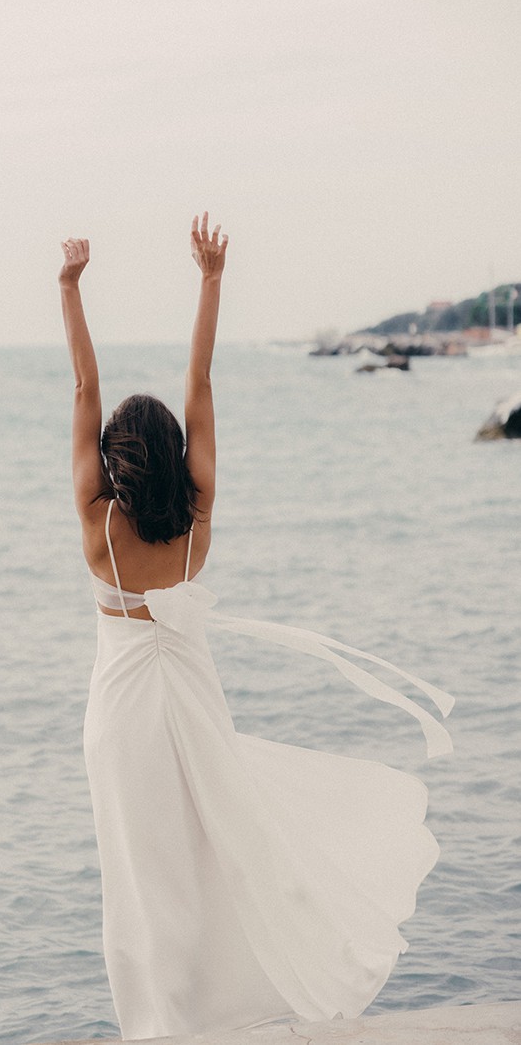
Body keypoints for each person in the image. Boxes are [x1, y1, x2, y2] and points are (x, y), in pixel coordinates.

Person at [58, 214, 453, 1040]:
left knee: (141, 874)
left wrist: (69, 287)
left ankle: (159, 1022)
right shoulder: (197, 523)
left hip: (121, 723)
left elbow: (83, 391)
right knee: (217, 855)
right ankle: (224, 1003)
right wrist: (211, 279)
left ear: (115, 461)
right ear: (172, 457)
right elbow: (199, 386)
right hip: (193, 703)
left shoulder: (102, 536)